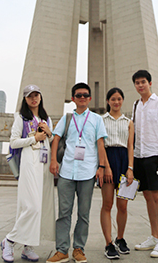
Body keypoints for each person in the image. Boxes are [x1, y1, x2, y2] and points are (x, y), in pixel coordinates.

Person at [46, 83, 109, 263]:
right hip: (66, 171)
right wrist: (53, 160)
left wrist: (101, 167)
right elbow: (56, 138)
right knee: (64, 213)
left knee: (83, 214)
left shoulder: (96, 119)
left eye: (85, 95)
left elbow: (100, 144)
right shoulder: (66, 119)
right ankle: (62, 250)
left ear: (90, 98)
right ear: (73, 98)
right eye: (79, 95)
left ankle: (79, 249)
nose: (82, 98)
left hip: (87, 172)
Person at [1, 85, 56, 263]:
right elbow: (13, 142)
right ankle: (9, 241)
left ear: (40, 97)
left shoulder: (46, 118)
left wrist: (49, 133)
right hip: (29, 164)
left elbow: (51, 140)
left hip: (44, 164)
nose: (33, 99)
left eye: (36, 95)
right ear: (25, 99)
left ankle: (28, 246)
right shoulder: (21, 118)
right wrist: (34, 138)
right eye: (30, 96)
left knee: (40, 207)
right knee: (31, 207)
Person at [130, 70, 158, 258]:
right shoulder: (136, 105)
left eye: (143, 82)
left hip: (154, 155)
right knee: (147, 195)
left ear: (150, 83)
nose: (140, 85)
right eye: (137, 83)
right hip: (139, 155)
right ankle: (154, 236)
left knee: (157, 195)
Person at [98, 87, 135, 260]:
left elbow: (130, 146)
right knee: (107, 204)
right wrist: (105, 166)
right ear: (108, 101)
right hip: (108, 158)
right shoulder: (101, 120)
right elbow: (100, 144)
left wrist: (130, 168)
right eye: (113, 99)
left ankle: (120, 238)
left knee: (123, 206)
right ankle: (108, 243)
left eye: (119, 99)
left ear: (122, 100)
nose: (116, 102)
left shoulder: (128, 122)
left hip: (123, 160)